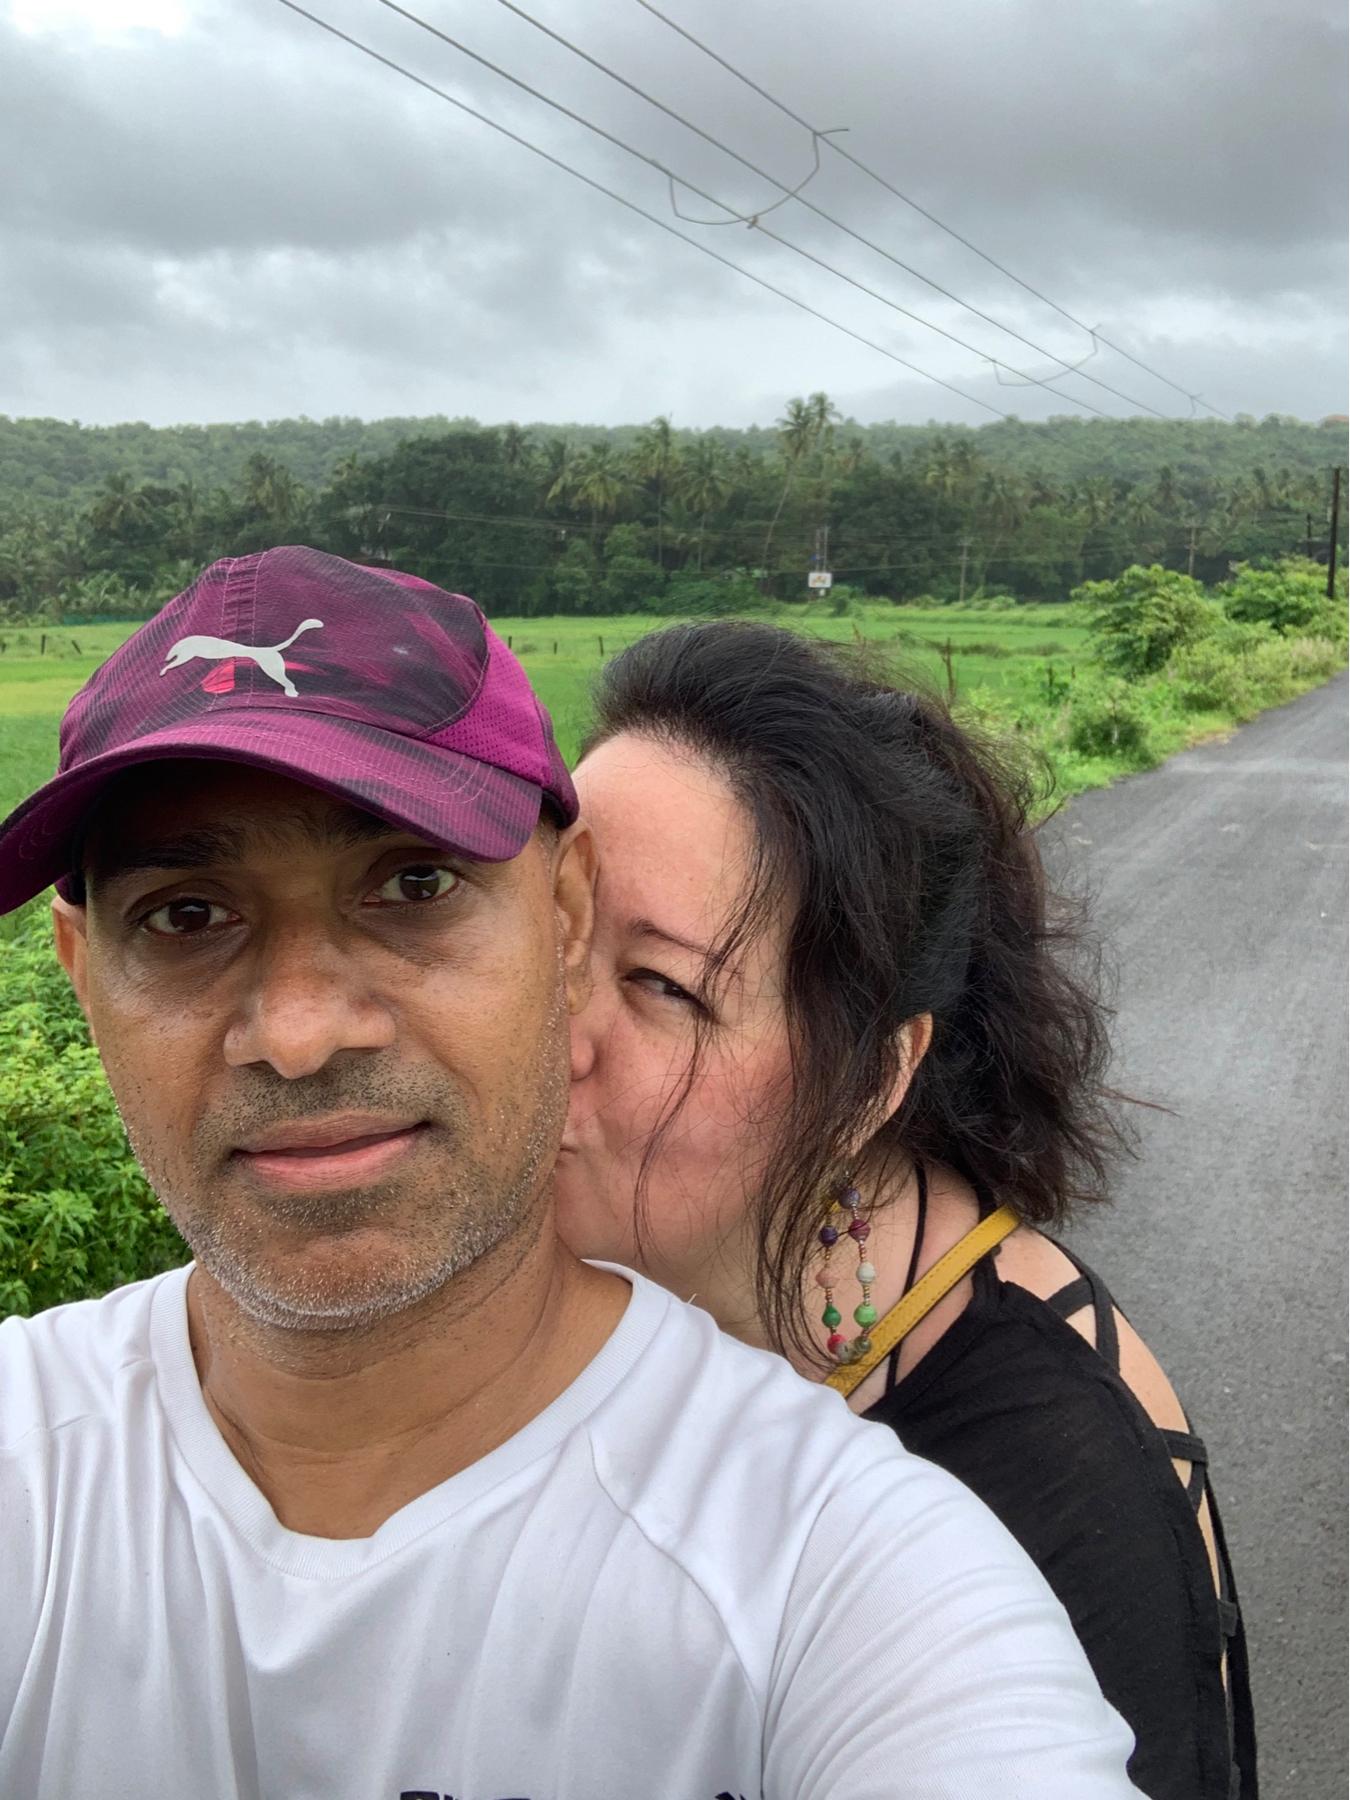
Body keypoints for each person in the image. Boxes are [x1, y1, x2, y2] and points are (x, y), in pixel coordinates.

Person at [0, 547, 1140, 1798]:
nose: (301, 1030)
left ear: (566, 916)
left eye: (414, 883)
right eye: (183, 916)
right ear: (78, 972)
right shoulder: (30, 1472)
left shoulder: (848, 1572)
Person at [556, 617, 1257, 1800]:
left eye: (661, 986)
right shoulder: (608, 1274)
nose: (552, 1038)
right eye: (549, 940)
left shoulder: (1043, 1485)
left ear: (871, 1079)